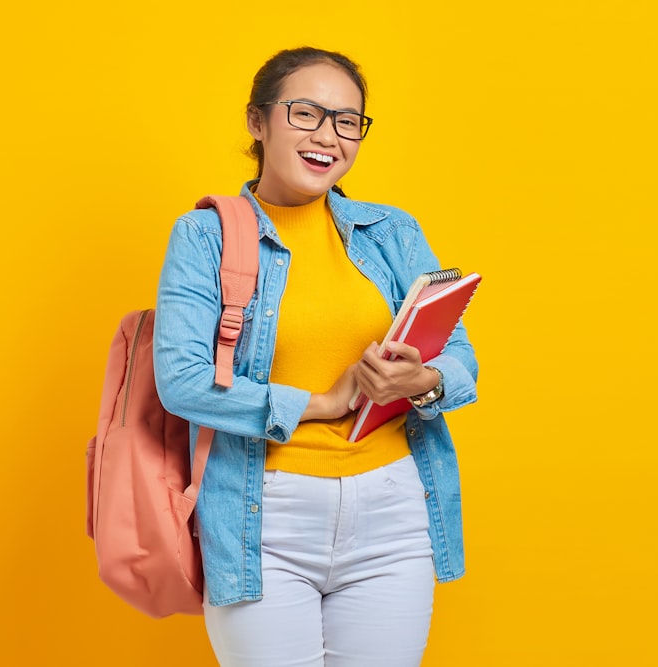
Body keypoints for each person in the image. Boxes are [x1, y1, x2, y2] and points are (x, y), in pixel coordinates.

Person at [153, 46, 478, 667]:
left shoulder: (391, 232)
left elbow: (459, 354)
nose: (328, 136)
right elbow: (183, 382)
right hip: (264, 516)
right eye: (306, 113)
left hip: (393, 511)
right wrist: (323, 402)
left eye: (347, 120)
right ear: (258, 121)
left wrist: (424, 380)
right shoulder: (205, 237)